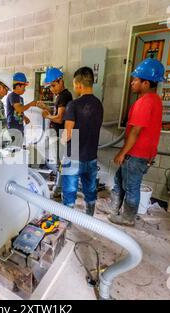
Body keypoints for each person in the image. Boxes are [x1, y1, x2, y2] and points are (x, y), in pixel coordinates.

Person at [105, 58, 165, 227]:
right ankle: (114, 209)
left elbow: (136, 131)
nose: (132, 82)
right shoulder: (155, 100)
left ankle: (128, 218)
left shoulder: (145, 102)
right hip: (142, 153)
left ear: (145, 83)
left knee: (131, 186)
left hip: (136, 154)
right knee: (119, 180)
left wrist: (122, 152)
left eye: (136, 80)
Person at [61, 67, 103, 216]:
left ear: (78, 85)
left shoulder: (73, 105)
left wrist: (61, 141)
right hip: (91, 157)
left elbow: (68, 134)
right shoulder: (99, 104)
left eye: (74, 84)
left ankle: (67, 223)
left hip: (73, 157)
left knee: (69, 193)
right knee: (90, 192)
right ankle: (89, 218)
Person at [38, 68, 73, 199]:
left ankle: (59, 190)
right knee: (59, 161)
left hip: (60, 133)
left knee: (62, 162)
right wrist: (46, 108)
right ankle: (59, 186)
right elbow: (56, 113)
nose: (51, 89)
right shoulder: (60, 96)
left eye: (53, 85)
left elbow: (59, 118)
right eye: (50, 86)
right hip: (58, 133)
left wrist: (47, 116)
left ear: (61, 81)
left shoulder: (64, 96)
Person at [6, 73, 37, 138]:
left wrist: (24, 117)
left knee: (19, 143)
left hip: (19, 125)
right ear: (17, 86)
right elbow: (19, 109)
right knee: (14, 144)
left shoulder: (20, 98)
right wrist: (30, 104)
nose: (25, 89)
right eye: (24, 87)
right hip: (13, 126)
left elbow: (19, 111)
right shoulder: (12, 96)